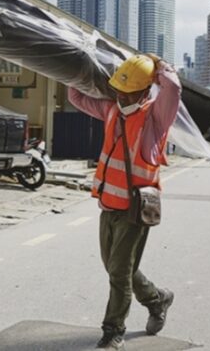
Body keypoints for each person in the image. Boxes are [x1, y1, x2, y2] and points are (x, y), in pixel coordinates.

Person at [69, 54, 181, 350]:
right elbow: (76, 96)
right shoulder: (111, 110)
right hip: (108, 205)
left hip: (135, 209)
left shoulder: (155, 118)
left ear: (144, 91)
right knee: (118, 268)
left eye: (128, 91)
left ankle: (113, 331)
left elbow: (173, 90)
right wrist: (76, 65)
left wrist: (160, 67)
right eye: (118, 89)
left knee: (119, 272)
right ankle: (157, 299)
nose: (121, 95)